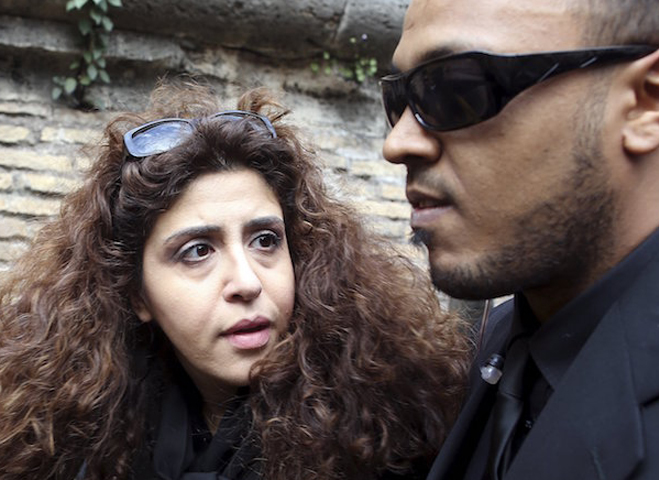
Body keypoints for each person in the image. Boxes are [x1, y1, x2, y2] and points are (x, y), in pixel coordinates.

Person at [0, 82, 471, 480]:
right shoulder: (80, 441)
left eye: (265, 240)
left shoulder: (390, 433)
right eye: (197, 251)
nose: (246, 282)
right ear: (137, 293)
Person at [380, 0, 659, 479]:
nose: (397, 144)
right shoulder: (505, 334)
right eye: (399, 99)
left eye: (455, 89)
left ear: (651, 98)